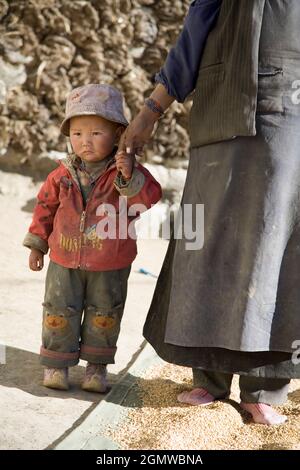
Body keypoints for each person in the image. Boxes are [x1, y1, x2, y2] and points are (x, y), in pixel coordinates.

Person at [118, 0, 300, 425]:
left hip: (291, 113)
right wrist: (152, 109)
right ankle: (210, 376)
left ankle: (264, 387)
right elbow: (198, 24)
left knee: (276, 245)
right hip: (223, 103)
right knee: (209, 241)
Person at [23, 83, 162, 392]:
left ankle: (96, 370)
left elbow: (146, 200)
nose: (84, 142)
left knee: (105, 313)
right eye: (77, 134)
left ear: (117, 134)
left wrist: (128, 176)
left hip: (111, 263)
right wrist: (37, 244)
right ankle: (57, 365)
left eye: (96, 133)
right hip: (64, 260)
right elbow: (45, 207)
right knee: (59, 309)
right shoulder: (62, 172)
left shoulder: (125, 170)